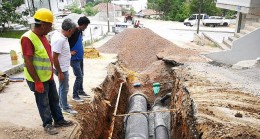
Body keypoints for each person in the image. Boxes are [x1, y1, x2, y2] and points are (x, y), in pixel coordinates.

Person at [20, 8, 73, 135]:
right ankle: (47, 124)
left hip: (47, 77)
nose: (51, 27)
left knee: (54, 99)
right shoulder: (28, 38)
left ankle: (59, 120)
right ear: (43, 24)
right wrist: (37, 82)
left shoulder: (42, 36)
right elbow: (28, 61)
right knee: (43, 102)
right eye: (50, 25)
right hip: (37, 79)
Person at [51, 18, 77, 115]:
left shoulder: (60, 36)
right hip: (61, 69)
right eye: (73, 31)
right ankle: (65, 108)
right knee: (64, 88)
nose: (73, 33)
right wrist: (60, 72)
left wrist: (68, 53)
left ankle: (62, 104)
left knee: (62, 87)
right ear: (69, 30)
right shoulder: (60, 39)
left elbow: (59, 52)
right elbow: (54, 57)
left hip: (62, 67)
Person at [68, 16, 91, 102]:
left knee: (82, 75)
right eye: (86, 26)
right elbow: (65, 42)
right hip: (74, 59)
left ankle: (80, 90)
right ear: (83, 25)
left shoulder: (80, 32)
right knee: (79, 76)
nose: (86, 28)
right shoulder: (74, 32)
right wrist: (69, 52)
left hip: (80, 58)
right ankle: (75, 95)